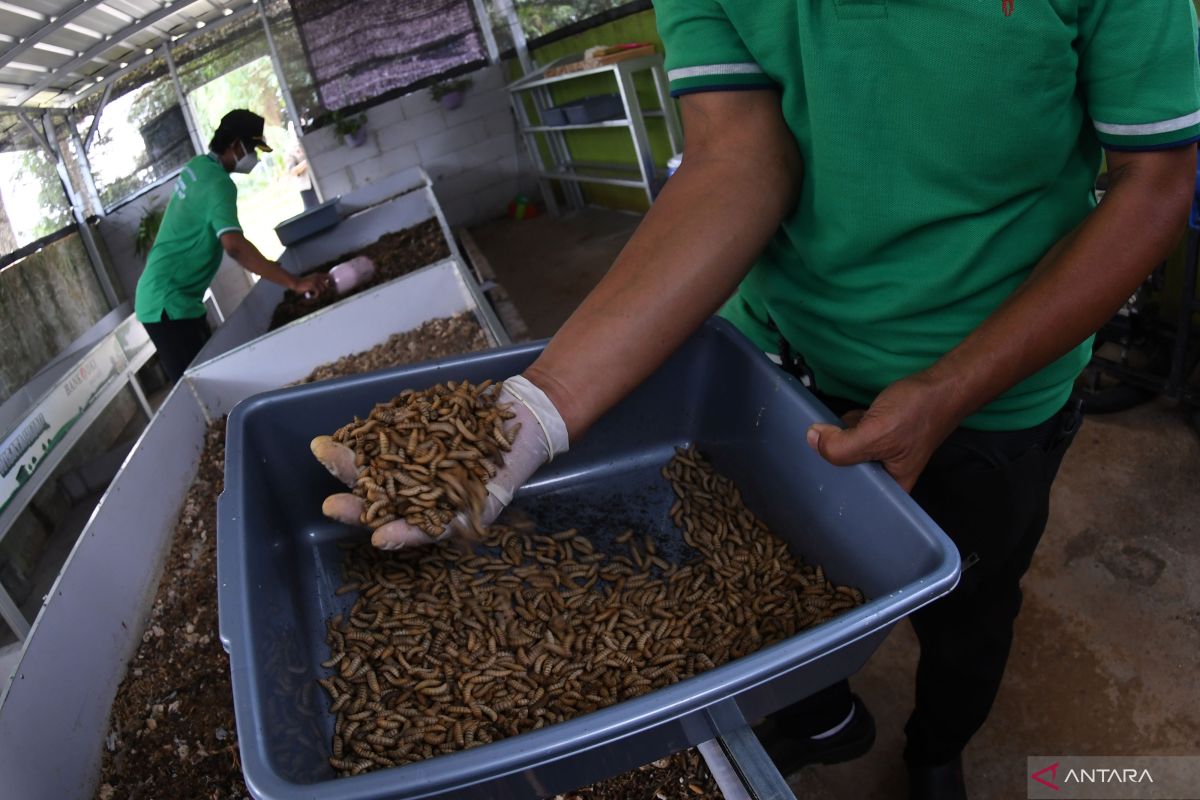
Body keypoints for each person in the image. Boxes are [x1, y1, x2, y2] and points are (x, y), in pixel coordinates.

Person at [311, 3, 1200, 798]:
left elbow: (1156, 181)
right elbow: (737, 154)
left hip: (999, 385)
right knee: (783, 580)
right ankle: (826, 716)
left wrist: (949, 388)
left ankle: (937, 748)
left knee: (970, 606)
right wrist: (539, 409)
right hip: (786, 361)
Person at [135, 109, 329, 380]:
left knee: (208, 372)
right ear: (236, 145)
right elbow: (234, 246)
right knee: (199, 383)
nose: (256, 157)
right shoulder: (218, 183)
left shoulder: (198, 166)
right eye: (252, 148)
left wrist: (266, 267)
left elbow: (219, 237)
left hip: (166, 295)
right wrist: (294, 283)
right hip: (168, 303)